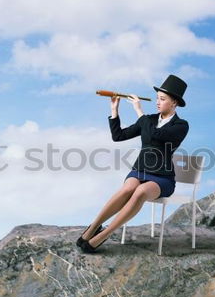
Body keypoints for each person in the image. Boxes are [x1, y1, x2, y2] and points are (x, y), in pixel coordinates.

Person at [77, 74, 189, 253]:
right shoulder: (150, 119)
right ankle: (92, 228)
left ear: (174, 102)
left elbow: (155, 136)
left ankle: (104, 234)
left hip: (162, 178)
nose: (157, 102)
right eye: (157, 98)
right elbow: (118, 136)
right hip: (139, 170)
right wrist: (115, 111)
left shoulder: (181, 125)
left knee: (140, 192)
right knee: (127, 189)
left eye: (162, 99)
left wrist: (139, 111)